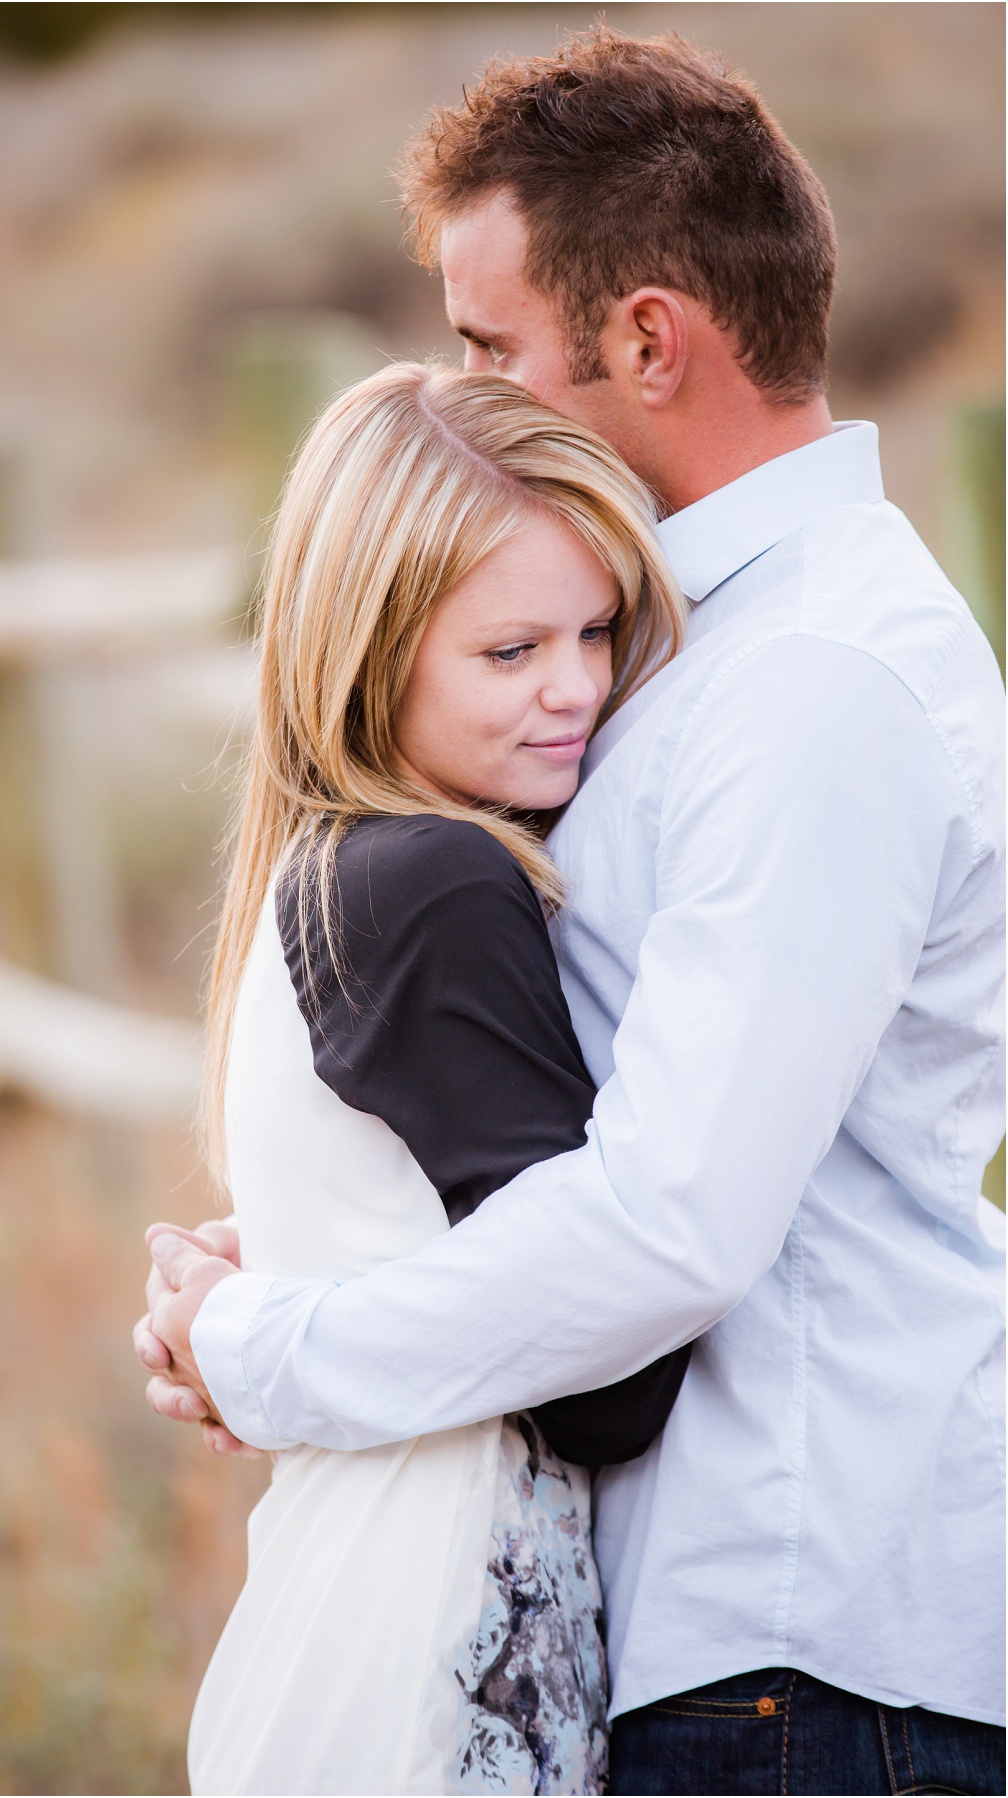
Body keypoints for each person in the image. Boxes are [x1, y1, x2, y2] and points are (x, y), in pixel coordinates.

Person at [141, 28, 1006, 1797]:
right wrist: (337, 1246)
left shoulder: (815, 686)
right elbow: (560, 1101)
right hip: (717, 1636)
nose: (462, 385)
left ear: (646, 339)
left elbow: (672, 1221)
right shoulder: (700, 655)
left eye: (487, 344)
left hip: (795, 1638)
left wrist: (282, 1349)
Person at [148, 359, 689, 1795]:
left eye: (598, 629)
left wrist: (267, 1315)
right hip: (442, 1652)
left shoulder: (322, 872)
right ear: (368, 651)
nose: (576, 688)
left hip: (342, 1617)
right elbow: (604, 1390)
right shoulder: (441, 882)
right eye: (510, 653)